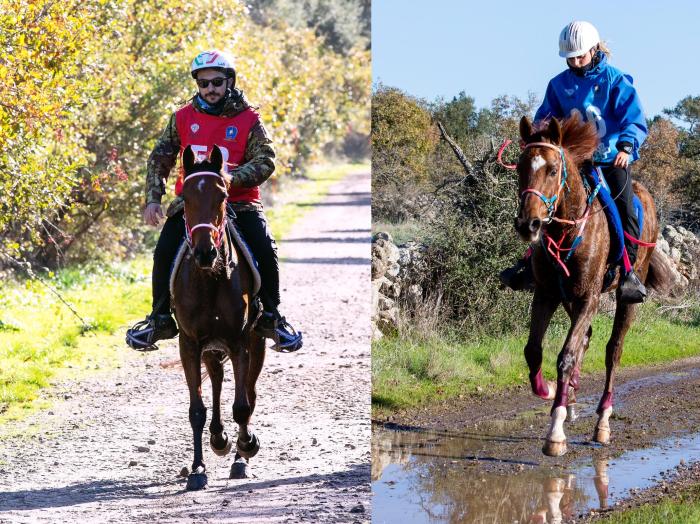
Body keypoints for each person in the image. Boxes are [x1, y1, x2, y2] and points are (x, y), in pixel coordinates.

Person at [126, 49, 302, 351]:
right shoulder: (181, 118)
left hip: (240, 204)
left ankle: (272, 317)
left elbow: (266, 160)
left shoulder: (249, 119)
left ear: (229, 81)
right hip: (191, 208)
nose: (210, 89)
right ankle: (159, 319)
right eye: (204, 83)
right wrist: (153, 199)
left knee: (265, 248)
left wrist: (232, 179)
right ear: (197, 85)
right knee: (164, 251)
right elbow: (159, 159)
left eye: (217, 82)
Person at [500, 21, 649, 303]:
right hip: (574, 163)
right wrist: (535, 138)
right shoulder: (558, 85)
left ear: (594, 50)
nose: (576, 61)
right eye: (571, 57)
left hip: (610, 161)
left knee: (625, 209)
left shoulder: (616, 81)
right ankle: (530, 263)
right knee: (544, 203)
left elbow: (634, 119)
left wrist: (627, 146)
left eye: (580, 55)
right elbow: (545, 117)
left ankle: (628, 272)